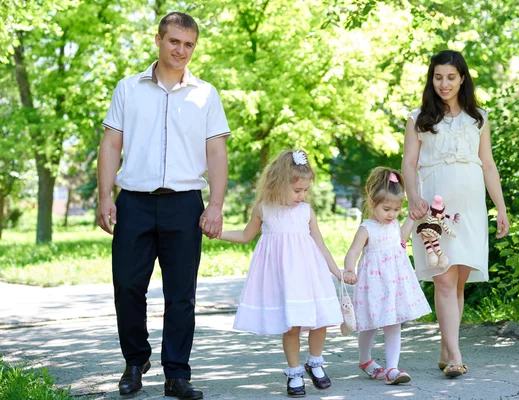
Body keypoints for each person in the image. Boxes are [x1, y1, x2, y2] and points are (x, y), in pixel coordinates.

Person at [97, 12, 230, 399]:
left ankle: (176, 373)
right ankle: (136, 360)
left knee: (181, 294)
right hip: (134, 203)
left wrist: (216, 204)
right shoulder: (128, 88)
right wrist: (105, 195)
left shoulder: (206, 94)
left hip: (185, 204)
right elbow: (110, 145)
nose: (181, 50)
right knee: (127, 286)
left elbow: (217, 152)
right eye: (174, 41)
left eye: (189, 44)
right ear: (158, 40)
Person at [212, 149, 356, 398]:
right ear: (279, 184)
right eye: (297, 191)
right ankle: (294, 371)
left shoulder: (305, 211)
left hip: (310, 275)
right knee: (291, 325)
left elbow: (320, 244)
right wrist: (217, 233)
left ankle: (316, 361)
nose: (302, 196)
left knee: (319, 319)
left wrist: (338, 273)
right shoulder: (263, 209)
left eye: (305, 191)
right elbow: (246, 236)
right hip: (284, 280)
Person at [402, 50, 510, 378]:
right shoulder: (419, 118)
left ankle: (446, 348)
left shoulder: (479, 118)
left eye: (450, 77)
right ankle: (456, 355)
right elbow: (408, 163)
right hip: (434, 210)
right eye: (438, 77)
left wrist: (501, 209)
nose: (444, 83)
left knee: (459, 282)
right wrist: (413, 197)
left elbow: (488, 165)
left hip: (471, 210)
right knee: (444, 280)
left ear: (462, 78)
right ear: (431, 79)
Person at [345, 167, 432, 385]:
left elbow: (402, 238)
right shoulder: (367, 228)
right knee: (370, 324)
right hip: (373, 284)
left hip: (394, 283)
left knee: (394, 323)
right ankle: (365, 360)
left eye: (396, 209)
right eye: (386, 209)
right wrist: (349, 269)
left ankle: (392, 368)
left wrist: (412, 219)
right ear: (373, 204)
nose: (392, 214)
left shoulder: (394, 225)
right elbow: (353, 251)